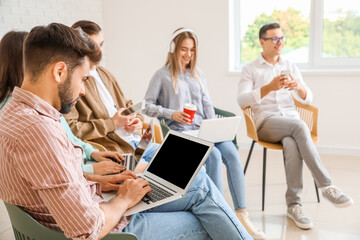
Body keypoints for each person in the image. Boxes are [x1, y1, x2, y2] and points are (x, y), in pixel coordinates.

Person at [0, 23, 253, 240]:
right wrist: (122, 199)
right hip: (109, 228)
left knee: (197, 185)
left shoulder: (12, 115)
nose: (83, 91)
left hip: (92, 208)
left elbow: (49, 182)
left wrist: (97, 182)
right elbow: (87, 229)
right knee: (205, 213)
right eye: (83, 79)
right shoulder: (39, 130)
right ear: (59, 72)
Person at [143, 27, 265, 239]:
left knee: (230, 153)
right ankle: (220, 213)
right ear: (173, 49)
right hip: (182, 133)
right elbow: (146, 106)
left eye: (191, 50)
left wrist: (217, 128)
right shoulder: (161, 76)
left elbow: (208, 106)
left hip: (205, 130)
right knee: (214, 156)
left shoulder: (198, 75)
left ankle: (241, 214)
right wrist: (172, 113)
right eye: (183, 49)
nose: (188, 54)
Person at [237, 22, 354, 230]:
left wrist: (298, 87)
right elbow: (242, 100)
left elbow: (308, 98)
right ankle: (327, 186)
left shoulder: (289, 65)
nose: (279, 42)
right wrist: (268, 88)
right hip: (265, 123)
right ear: (262, 42)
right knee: (299, 127)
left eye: (282, 38)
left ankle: (294, 206)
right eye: (274, 38)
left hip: (289, 122)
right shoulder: (250, 69)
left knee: (292, 142)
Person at [0, 30, 125, 181]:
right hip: (79, 172)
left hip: (84, 165)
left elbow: (69, 139)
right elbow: (52, 169)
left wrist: (91, 152)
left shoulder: (40, 107)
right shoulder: (31, 118)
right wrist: (92, 171)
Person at [64, 20, 158, 164]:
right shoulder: (72, 82)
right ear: (77, 49)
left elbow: (129, 104)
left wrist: (137, 119)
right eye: (93, 47)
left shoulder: (104, 74)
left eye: (101, 45)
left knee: (194, 169)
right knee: (193, 178)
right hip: (119, 151)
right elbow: (71, 129)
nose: (100, 53)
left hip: (140, 143)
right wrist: (112, 124)